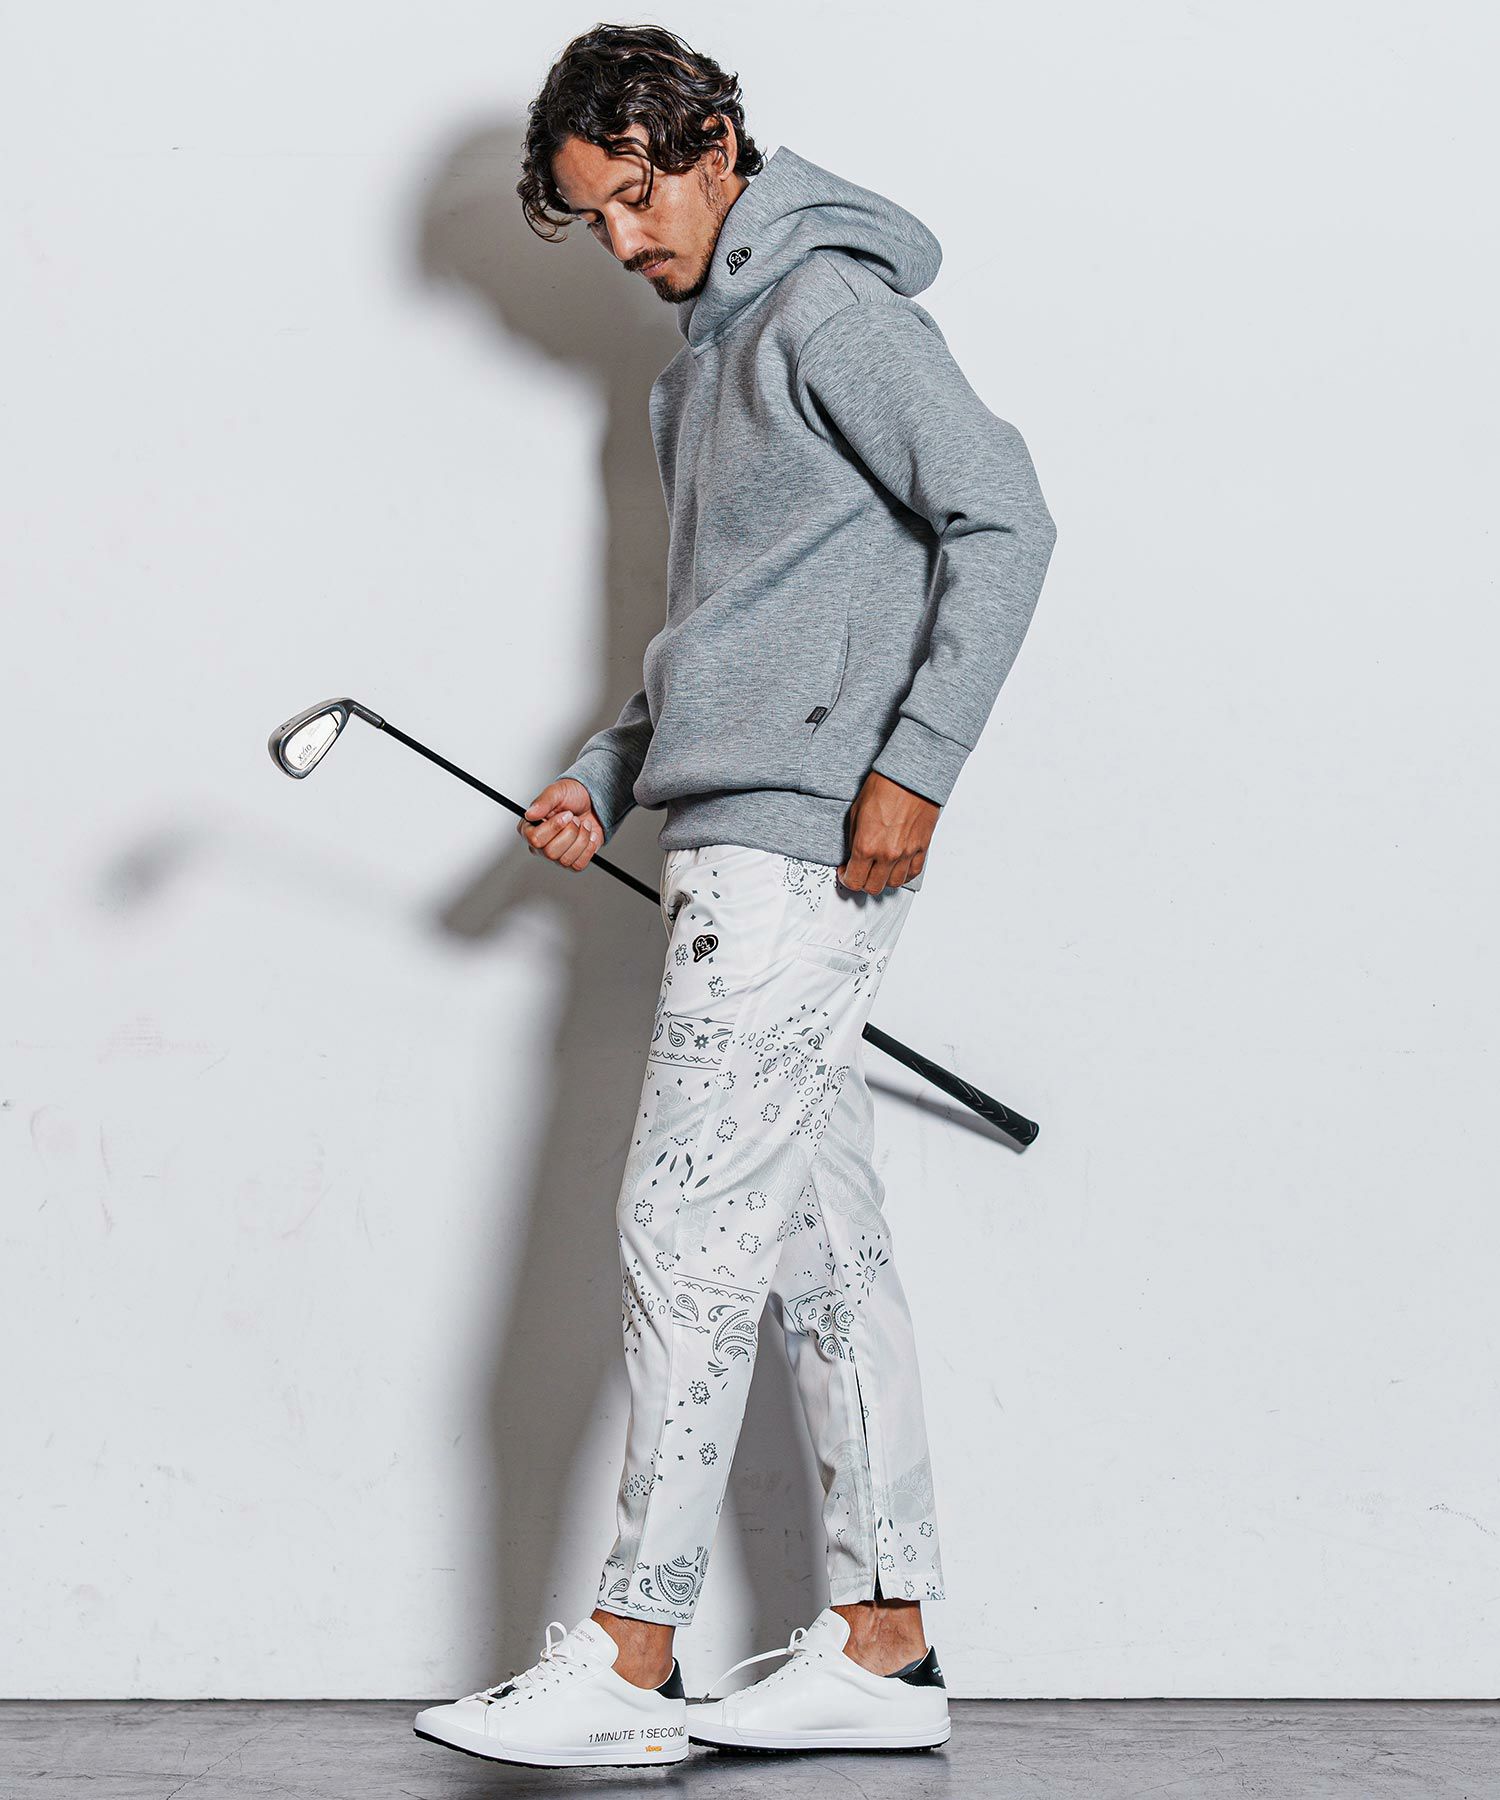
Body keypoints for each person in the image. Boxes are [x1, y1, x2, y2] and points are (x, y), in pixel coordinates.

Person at [414, 23, 1057, 1770]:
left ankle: (633, 1659)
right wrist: (604, 771)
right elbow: (720, 636)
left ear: (708, 143)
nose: (623, 243)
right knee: (811, 1243)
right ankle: (885, 1644)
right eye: (593, 220)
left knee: (682, 1232)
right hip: (729, 833)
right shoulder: (699, 368)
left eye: (634, 197)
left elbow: (1005, 517)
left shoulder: (830, 312)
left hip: (800, 850)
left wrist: (918, 764)